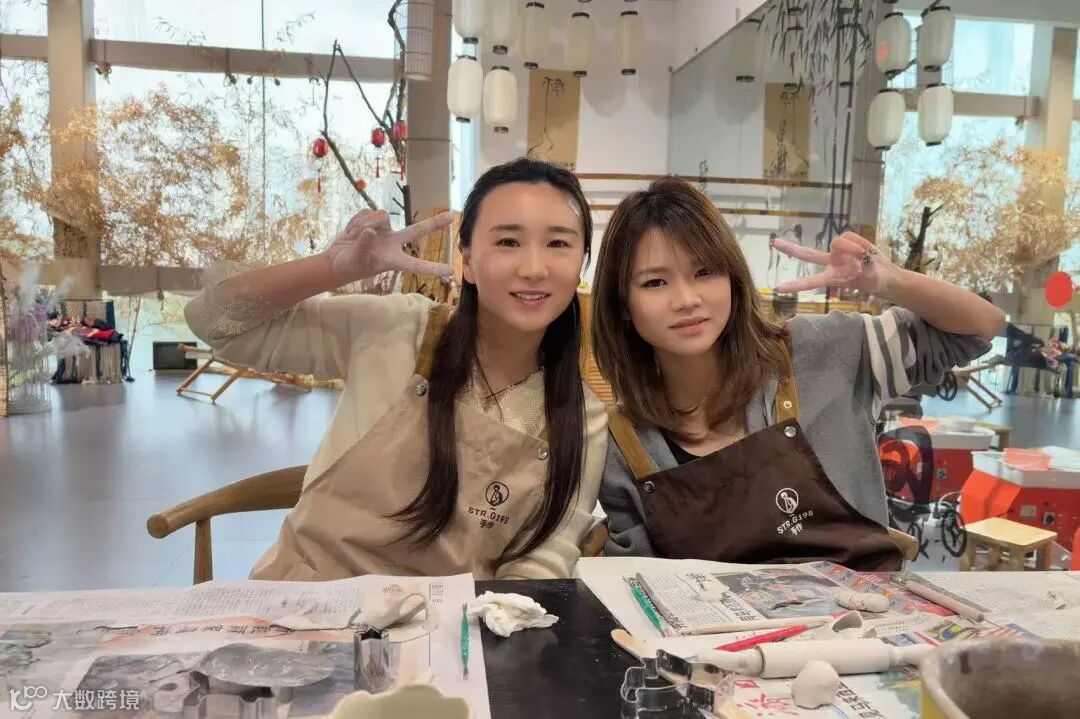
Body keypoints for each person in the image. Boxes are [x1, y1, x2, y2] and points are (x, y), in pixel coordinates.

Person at [184, 158, 607, 581]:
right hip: (308, 600)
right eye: (508, 242)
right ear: (467, 262)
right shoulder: (396, 328)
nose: (534, 269)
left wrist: (498, 618)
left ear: (582, 264)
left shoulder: (581, 417)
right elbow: (214, 322)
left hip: (452, 617)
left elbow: (544, 558)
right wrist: (331, 268)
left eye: (558, 244)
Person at [591, 177, 1004, 570]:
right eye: (655, 282)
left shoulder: (828, 350)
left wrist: (890, 281)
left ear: (733, 277)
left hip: (865, 614)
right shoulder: (623, 444)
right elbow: (637, 583)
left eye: (704, 272)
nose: (686, 299)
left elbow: (981, 327)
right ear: (623, 305)